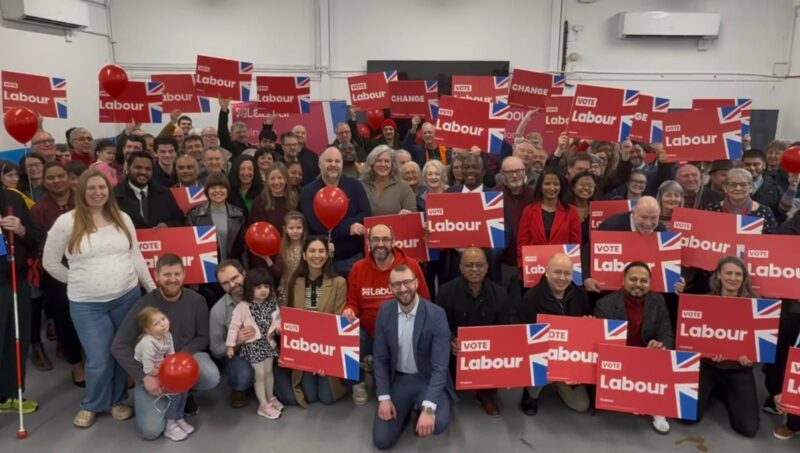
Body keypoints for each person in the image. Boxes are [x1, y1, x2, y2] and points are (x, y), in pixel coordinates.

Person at [42, 169, 155, 428]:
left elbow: (135, 255)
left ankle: (117, 400)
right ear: (81, 191)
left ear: (109, 190)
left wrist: (151, 289)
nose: (97, 193)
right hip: (87, 304)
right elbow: (50, 263)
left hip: (126, 297)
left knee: (119, 353)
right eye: (91, 188)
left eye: (102, 188)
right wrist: (78, 281)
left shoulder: (121, 218)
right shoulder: (66, 222)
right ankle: (92, 404)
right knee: (98, 358)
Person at [112, 253, 219, 439]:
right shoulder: (143, 305)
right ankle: (172, 396)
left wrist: (178, 359)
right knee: (151, 431)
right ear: (156, 276)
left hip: (183, 360)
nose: (172, 279)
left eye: (177, 274)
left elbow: (203, 336)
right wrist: (144, 376)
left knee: (210, 376)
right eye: (167, 275)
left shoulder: (197, 301)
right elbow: (118, 346)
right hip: (152, 368)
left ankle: (184, 393)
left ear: (184, 274)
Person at [344, 224, 430, 406]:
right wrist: (350, 310)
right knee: (347, 333)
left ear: (393, 242)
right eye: (375, 239)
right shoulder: (358, 268)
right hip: (369, 330)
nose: (380, 244)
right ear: (368, 242)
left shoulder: (410, 266)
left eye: (385, 239)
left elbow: (425, 302)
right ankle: (358, 381)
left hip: (401, 331)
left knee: (387, 390)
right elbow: (353, 302)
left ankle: (376, 364)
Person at [372, 265, 454, 450]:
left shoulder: (436, 315)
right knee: (382, 441)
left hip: (426, 378)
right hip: (399, 379)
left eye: (407, 282)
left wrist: (428, 408)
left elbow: (440, 367)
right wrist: (384, 398)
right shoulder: (385, 312)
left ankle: (421, 406)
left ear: (416, 282)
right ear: (390, 287)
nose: (402, 288)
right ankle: (407, 411)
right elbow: (380, 358)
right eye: (397, 284)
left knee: (438, 423)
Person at [594, 261, 674, 434]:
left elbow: (667, 333)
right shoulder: (604, 304)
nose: (638, 284)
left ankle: (657, 409)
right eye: (633, 279)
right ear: (624, 280)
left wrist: (662, 344)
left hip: (648, 359)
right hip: (618, 359)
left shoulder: (658, 301)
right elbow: (601, 343)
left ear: (650, 283)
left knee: (664, 356)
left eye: (643, 280)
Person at [436, 247, 511, 416]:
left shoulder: (500, 294)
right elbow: (438, 326)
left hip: (487, 355)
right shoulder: (445, 292)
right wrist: (450, 340)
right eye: (469, 265)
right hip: (454, 352)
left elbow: (505, 330)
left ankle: (485, 394)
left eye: (479, 265)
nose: (474, 270)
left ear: (487, 267)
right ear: (460, 267)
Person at [691, 256, 760, 437]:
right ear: (719, 275)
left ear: (744, 278)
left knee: (748, 429)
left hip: (739, 368)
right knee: (688, 418)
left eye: (738, 274)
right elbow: (693, 337)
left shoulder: (756, 305)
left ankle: (723, 391)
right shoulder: (704, 301)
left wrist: (751, 357)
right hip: (707, 365)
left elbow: (761, 343)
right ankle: (716, 389)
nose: (733, 277)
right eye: (728, 272)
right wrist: (707, 352)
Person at [31, 162, 84, 385]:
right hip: (57, 273)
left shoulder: (83, 201)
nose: (57, 181)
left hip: (87, 267)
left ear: (68, 176)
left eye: (60, 176)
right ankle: (76, 364)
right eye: (50, 178)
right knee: (65, 319)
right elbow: (38, 244)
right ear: (44, 182)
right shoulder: (38, 210)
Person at [518, 253, 591, 415]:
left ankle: (559, 382)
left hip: (570, 356)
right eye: (557, 272)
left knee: (581, 405)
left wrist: (589, 325)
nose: (562, 278)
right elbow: (524, 337)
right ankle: (531, 393)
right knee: (538, 372)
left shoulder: (581, 296)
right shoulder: (531, 298)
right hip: (542, 357)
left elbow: (586, 335)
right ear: (546, 272)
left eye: (567, 273)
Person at [282, 236, 349, 406]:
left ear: (327, 255)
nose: (316, 255)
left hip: (328, 348)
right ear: (304, 255)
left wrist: (323, 359)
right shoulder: (294, 282)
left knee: (327, 398)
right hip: (303, 348)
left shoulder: (339, 282)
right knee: (310, 396)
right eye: (312, 251)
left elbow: (338, 320)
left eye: (321, 251)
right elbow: (289, 317)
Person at [0, 183, 44, 416]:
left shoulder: (13, 199)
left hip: (17, 282)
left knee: (16, 341)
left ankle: (12, 394)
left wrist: (21, 230)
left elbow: (37, 237)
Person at [300, 146, 371, 276]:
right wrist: (348, 228)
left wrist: (340, 228)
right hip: (322, 261)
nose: (333, 165)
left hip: (354, 257)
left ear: (342, 164)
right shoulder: (308, 192)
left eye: (337, 161)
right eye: (329, 161)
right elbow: (314, 225)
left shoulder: (354, 185)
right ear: (319, 164)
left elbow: (365, 213)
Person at [225, 268, 283, 419]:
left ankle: (270, 397)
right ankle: (263, 404)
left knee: (269, 372)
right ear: (250, 289)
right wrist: (231, 345)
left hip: (268, 344)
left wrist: (279, 328)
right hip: (253, 346)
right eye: (258, 287)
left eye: (266, 286)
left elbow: (277, 321)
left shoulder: (271, 304)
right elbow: (234, 326)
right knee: (260, 374)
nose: (263, 290)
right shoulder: (243, 307)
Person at [133, 306, 195, 441]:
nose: (162, 324)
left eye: (163, 319)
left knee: (183, 388)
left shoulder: (167, 335)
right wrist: (167, 373)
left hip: (161, 367)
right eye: (156, 324)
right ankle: (170, 423)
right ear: (148, 330)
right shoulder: (148, 343)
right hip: (150, 374)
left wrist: (173, 369)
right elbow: (148, 369)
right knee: (175, 391)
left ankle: (179, 417)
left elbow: (171, 355)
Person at [187, 172, 246, 304]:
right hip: (208, 281)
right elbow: (190, 250)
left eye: (222, 187)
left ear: (228, 190)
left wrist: (244, 273)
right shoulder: (195, 215)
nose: (217, 191)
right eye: (213, 187)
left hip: (233, 276)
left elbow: (244, 249)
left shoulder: (239, 214)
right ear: (207, 191)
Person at [209, 260, 255, 408]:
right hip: (238, 353)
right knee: (242, 378)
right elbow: (215, 349)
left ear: (244, 274)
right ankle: (239, 388)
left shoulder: (262, 292)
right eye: (226, 283)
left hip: (267, 349)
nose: (232, 285)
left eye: (235, 278)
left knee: (286, 396)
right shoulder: (218, 311)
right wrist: (236, 342)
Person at [518, 168, 582, 264]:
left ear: (561, 187)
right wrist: (523, 267)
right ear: (540, 186)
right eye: (547, 184)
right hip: (534, 266)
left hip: (561, 267)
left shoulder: (571, 211)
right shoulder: (529, 210)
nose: (552, 188)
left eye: (556, 184)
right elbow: (522, 243)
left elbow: (575, 244)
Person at [497, 156, 536, 301]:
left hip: (531, 261)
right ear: (502, 174)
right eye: (510, 172)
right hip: (503, 263)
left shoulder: (535, 195)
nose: (515, 175)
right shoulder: (493, 196)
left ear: (524, 171)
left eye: (518, 171)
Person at [248, 162, 298, 273]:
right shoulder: (259, 202)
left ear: (286, 179)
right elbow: (254, 235)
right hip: (264, 258)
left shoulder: (294, 201)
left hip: (290, 255)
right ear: (267, 181)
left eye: (280, 178)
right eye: (272, 179)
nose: (276, 182)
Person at [114, 151, 185, 229]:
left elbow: (179, 219)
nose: (143, 172)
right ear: (128, 168)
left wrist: (167, 225)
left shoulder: (164, 193)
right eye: (138, 168)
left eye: (148, 169)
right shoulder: (115, 195)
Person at [706, 168, 778, 233]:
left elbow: (770, 241)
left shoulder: (764, 212)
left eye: (743, 184)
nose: (738, 188)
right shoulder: (712, 209)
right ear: (725, 188)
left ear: (750, 188)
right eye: (733, 184)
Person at [360, 145, 416, 216]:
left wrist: (406, 215)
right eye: (379, 161)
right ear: (372, 163)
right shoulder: (361, 185)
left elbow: (413, 215)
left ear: (392, 164)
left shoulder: (403, 187)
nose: (383, 164)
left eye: (387, 161)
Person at [741, 149, 782, 220]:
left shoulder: (775, 188)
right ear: (742, 165)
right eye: (747, 165)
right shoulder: (732, 186)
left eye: (756, 164)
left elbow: (782, 213)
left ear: (764, 165)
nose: (752, 168)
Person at [277, 211, 307, 305]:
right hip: (285, 286)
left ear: (303, 228)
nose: (295, 231)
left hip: (302, 285)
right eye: (291, 228)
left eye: (298, 228)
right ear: (285, 229)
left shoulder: (307, 246)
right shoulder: (282, 247)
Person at [569, 170, 600, 245]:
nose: (586, 188)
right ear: (573, 187)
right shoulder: (564, 209)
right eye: (582, 184)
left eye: (590, 186)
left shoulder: (598, 211)